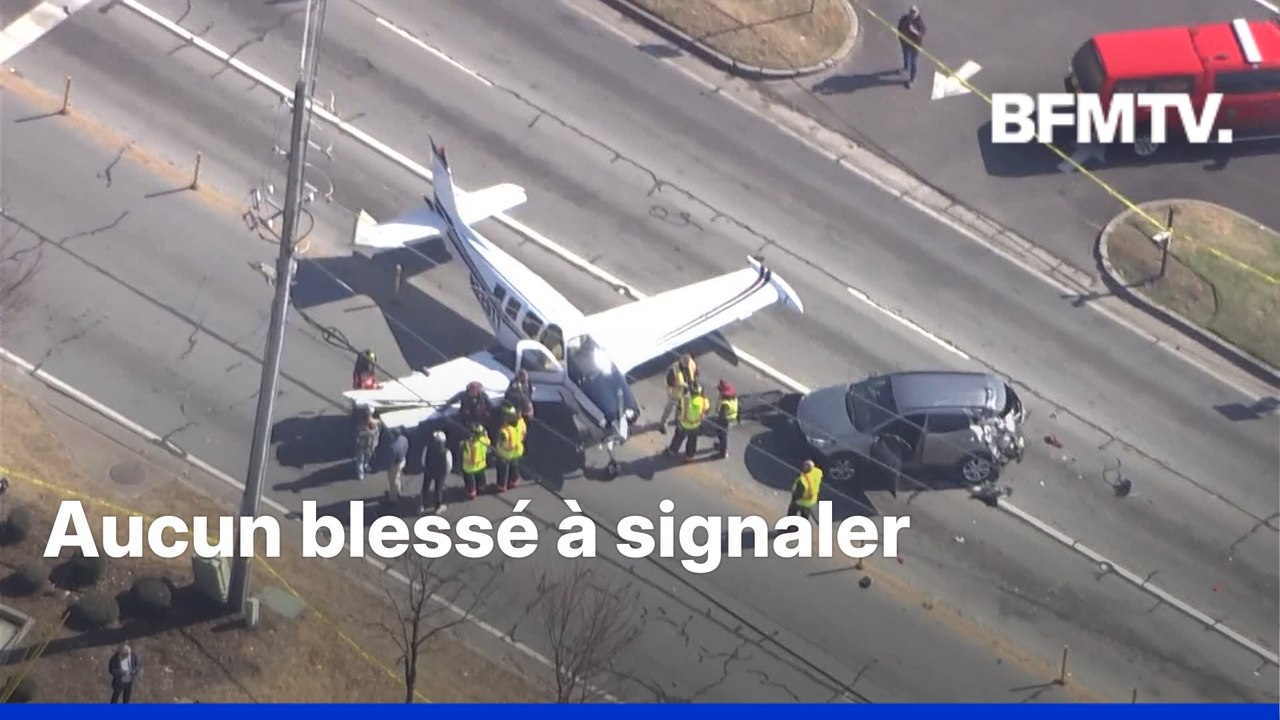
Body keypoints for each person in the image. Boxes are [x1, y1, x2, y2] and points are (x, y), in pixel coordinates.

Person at [665, 383, 708, 462]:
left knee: (678, 438)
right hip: (695, 425)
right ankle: (690, 456)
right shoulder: (703, 401)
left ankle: (672, 451)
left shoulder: (684, 399)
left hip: (683, 425)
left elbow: (679, 410)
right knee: (692, 442)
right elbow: (706, 410)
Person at [658, 353, 698, 434]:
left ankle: (677, 420)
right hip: (674, 394)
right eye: (685, 364)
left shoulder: (690, 366)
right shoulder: (674, 369)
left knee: (680, 408)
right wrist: (681, 384)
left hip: (684, 393)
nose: (686, 366)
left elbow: (694, 374)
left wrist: (692, 385)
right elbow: (670, 382)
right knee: (669, 409)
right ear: (681, 361)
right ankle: (663, 424)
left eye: (687, 364)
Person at [494, 405, 527, 492]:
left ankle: (501, 485)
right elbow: (524, 433)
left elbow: (501, 442)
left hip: (505, 453)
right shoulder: (521, 423)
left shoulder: (505, 430)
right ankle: (514, 480)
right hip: (517, 450)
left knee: (502, 470)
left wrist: (497, 448)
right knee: (514, 466)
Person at [421, 429, 451, 513]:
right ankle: (437, 507)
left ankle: (422, 505)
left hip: (429, 470)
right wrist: (446, 472)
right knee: (438, 490)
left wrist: (426, 467)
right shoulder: (446, 451)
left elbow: (423, 460)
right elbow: (449, 464)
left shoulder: (427, 448)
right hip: (441, 473)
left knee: (425, 488)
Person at [897, 5, 926, 88]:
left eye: (914, 12)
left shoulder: (920, 23)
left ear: (917, 13)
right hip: (905, 43)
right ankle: (906, 68)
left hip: (915, 46)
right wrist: (900, 37)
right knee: (905, 56)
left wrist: (914, 31)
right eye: (911, 12)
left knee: (914, 62)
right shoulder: (904, 19)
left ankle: (912, 79)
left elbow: (922, 34)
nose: (912, 14)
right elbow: (899, 27)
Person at [711, 379, 740, 460]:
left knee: (722, 435)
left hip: (725, 420)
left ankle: (722, 453)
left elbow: (721, 415)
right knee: (721, 434)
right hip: (731, 419)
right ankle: (721, 446)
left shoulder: (725, 404)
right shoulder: (734, 398)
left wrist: (718, 424)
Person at [461, 423, 491, 499]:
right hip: (481, 464)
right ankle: (481, 488)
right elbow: (488, 442)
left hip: (469, 466)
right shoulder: (483, 440)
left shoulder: (467, 443)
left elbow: (462, 449)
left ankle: (472, 492)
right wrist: (486, 435)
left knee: (470, 480)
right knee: (481, 477)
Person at [353, 407, 380, 481]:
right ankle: (363, 469)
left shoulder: (360, 425)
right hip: (367, 445)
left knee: (361, 460)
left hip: (364, 445)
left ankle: (362, 471)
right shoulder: (371, 424)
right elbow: (376, 433)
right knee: (363, 459)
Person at [385, 426, 410, 507]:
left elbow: (391, 459)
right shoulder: (404, 439)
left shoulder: (393, 446)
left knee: (393, 480)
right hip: (403, 460)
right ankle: (397, 491)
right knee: (397, 477)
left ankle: (393, 497)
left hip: (395, 464)